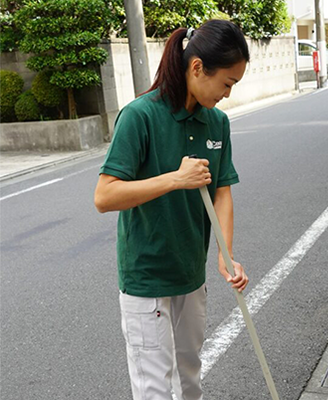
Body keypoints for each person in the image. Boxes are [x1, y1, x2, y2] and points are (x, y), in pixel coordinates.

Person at [94, 20, 250, 400]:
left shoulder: (217, 122)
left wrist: (225, 254)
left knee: (190, 379)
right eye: (227, 83)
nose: (228, 94)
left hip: (190, 275)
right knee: (154, 390)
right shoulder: (140, 116)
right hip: (147, 280)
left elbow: (222, 191)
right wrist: (174, 179)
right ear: (197, 67)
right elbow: (104, 196)